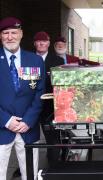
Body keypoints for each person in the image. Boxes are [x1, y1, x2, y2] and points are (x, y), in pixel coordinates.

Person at [0, 17, 45, 180]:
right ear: (0, 36)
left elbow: (39, 93)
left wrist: (28, 120)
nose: (9, 37)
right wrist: (6, 120)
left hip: (28, 128)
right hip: (2, 127)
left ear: (21, 34)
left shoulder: (35, 60)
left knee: (30, 175)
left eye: (14, 32)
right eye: (5, 33)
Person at [34, 31, 65, 167]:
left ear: (48, 43)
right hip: (30, 106)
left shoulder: (57, 61)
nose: (41, 43)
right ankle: (26, 165)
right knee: (27, 138)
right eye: (38, 41)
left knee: (52, 137)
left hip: (50, 106)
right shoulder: (27, 59)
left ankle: (53, 165)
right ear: (34, 43)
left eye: (44, 41)